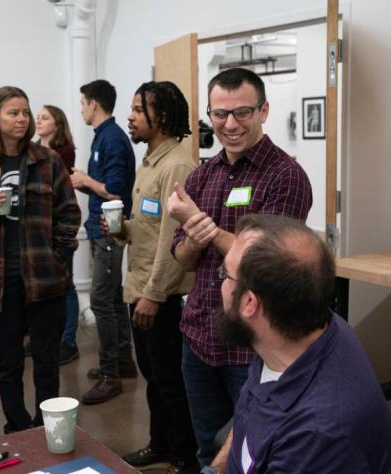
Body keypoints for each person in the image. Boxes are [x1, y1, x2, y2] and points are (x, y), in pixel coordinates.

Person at [168, 67, 313, 466]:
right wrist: (194, 236)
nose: (230, 124)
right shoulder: (201, 175)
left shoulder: (286, 177)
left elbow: (268, 262)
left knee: (254, 454)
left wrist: (206, 228)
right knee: (207, 450)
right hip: (198, 337)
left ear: (264, 111)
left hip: (252, 345)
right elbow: (181, 258)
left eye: (243, 112)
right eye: (220, 114)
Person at [210, 213, 391, 474]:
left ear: (250, 303)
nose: (222, 285)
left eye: (225, 275)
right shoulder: (292, 332)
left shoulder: (316, 438)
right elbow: (250, 410)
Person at [0, 86, 80, 434]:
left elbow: (69, 214)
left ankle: (47, 427)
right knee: (8, 363)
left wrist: (58, 257)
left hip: (44, 278)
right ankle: (18, 428)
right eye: (13, 113)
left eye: (26, 112)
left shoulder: (48, 160)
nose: (22, 119)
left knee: (46, 362)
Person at [117, 81, 198, 474]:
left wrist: (153, 296)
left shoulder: (177, 165)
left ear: (161, 116)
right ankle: (160, 444)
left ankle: (184, 455)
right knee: (153, 377)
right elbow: (149, 227)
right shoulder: (150, 161)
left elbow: (172, 239)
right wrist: (122, 229)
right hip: (141, 288)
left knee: (170, 381)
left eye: (137, 109)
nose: (129, 117)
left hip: (161, 296)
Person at [71, 79, 137, 405]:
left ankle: (111, 374)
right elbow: (103, 188)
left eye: (82, 103)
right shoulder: (103, 138)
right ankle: (123, 363)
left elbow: (115, 192)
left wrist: (85, 180)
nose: (81, 108)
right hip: (101, 230)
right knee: (113, 300)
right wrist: (83, 183)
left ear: (94, 103)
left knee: (99, 302)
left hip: (109, 233)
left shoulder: (111, 139)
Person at [36, 104, 80, 364]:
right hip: (37, 228)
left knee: (67, 286)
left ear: (57, 123)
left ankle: (68, 341)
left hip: (57, 226)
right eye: (38, 117)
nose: (38, 120)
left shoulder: (63, 153)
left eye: (45, 117)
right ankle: (46, 338)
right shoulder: (29, 149)